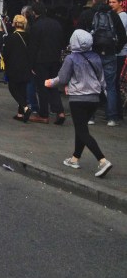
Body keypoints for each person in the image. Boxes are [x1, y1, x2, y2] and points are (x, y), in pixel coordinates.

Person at [45, 30, 113, 178]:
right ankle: (75, 158)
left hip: (78, 99)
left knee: (82, 131)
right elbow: (101, 79)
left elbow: (62, 78)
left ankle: (102, 160)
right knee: (81, 128)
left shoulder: (71, 58)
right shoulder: (95, 57)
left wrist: (50, 82)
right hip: (94, 98)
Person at [77, 0, 127, 126]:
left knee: (91, 85)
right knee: (110, 86)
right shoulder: (113, 15)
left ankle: (91, 117)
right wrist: (115, 49)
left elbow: (78, 34)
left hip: (91, 54)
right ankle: (111, 118)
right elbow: (122, 36)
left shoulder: (86, 14)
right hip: (110, 54)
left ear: (93, 0)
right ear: (106, 1)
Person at [27, 2, 67, 124]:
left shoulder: (36, 26)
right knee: (52, 85)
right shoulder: (56, 24)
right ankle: (59, 111)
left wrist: (31, 64)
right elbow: (62, 42)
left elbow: (33, 47)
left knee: (42, 87)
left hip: (41, 60)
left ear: (34, 12)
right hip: (54, 59)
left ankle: (43, 114)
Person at [2, 15, 34, 122]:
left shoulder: (11, 37)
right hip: (26, 67)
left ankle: (25, 107)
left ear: (15, 24)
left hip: (14, 67)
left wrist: (5, 66)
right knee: (22, 90)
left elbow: (5, 54)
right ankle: (20, 114)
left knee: (13, 88)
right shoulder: (29, 36)